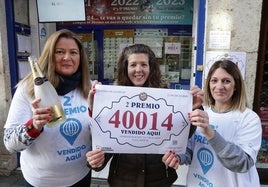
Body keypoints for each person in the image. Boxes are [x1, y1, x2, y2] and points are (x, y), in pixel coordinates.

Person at [86, 44, 204, 187]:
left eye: (143, 64)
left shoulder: (168, 98)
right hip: (123, 180)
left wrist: (193, 108)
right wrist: (97, 160)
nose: (138, 70)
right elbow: (105, 144)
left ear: (151, 67)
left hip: (159, 179)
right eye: (133, 65)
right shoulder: (113, 99)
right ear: (125, 68)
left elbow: (182, 136)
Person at [4, 29, 93, 187]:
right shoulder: (28, 88)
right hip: (40, 181)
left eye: (73, 52)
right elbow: (10, 144)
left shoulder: (89, 88)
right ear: (49, 55)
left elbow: (100, 133)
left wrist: (97, 110)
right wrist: (34, 125)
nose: (67, 57)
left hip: (81, 177)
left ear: (80, 58)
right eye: (59, 52)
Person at [178, 60, 262, 186]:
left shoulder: (248, 118)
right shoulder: (202, 112)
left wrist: (210, 133)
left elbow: (243, 163)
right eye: (214, 80)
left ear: (236, 86)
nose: (219, 86)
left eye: (226, 81)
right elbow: (190, 151)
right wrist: (177, 157)